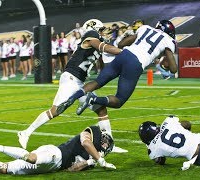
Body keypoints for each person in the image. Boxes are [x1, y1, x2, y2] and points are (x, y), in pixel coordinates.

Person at [17, 19, 127, 153]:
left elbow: (107, 52)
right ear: (94, 28)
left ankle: (109, 143)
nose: (103, 32)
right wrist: (123, 52)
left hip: (79, 81)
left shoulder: (96, 40)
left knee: (101, 109)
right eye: (101, 30)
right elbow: (103, 47)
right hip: (71, 79)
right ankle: (26, 132)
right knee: (56, 110)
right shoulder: (91, 35)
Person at [56, 20, 177, 115]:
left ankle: (72, 98)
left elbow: (121, 44)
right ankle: (93, 99)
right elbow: (173, 69)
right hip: (136, 63)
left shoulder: (145, 28)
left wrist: (133, 38)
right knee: (119, 100)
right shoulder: (168, 40)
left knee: (97, 82)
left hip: (123, 55)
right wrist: (164, 57)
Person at [0, 125, 116, 174]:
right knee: (31, 158)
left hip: (53, 167)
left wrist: (90, 162)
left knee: (6, 169)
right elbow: (85, 142)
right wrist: (100, 159)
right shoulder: (94, 132)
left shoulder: (93, 157)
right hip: (56, 153)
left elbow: (71, 169)